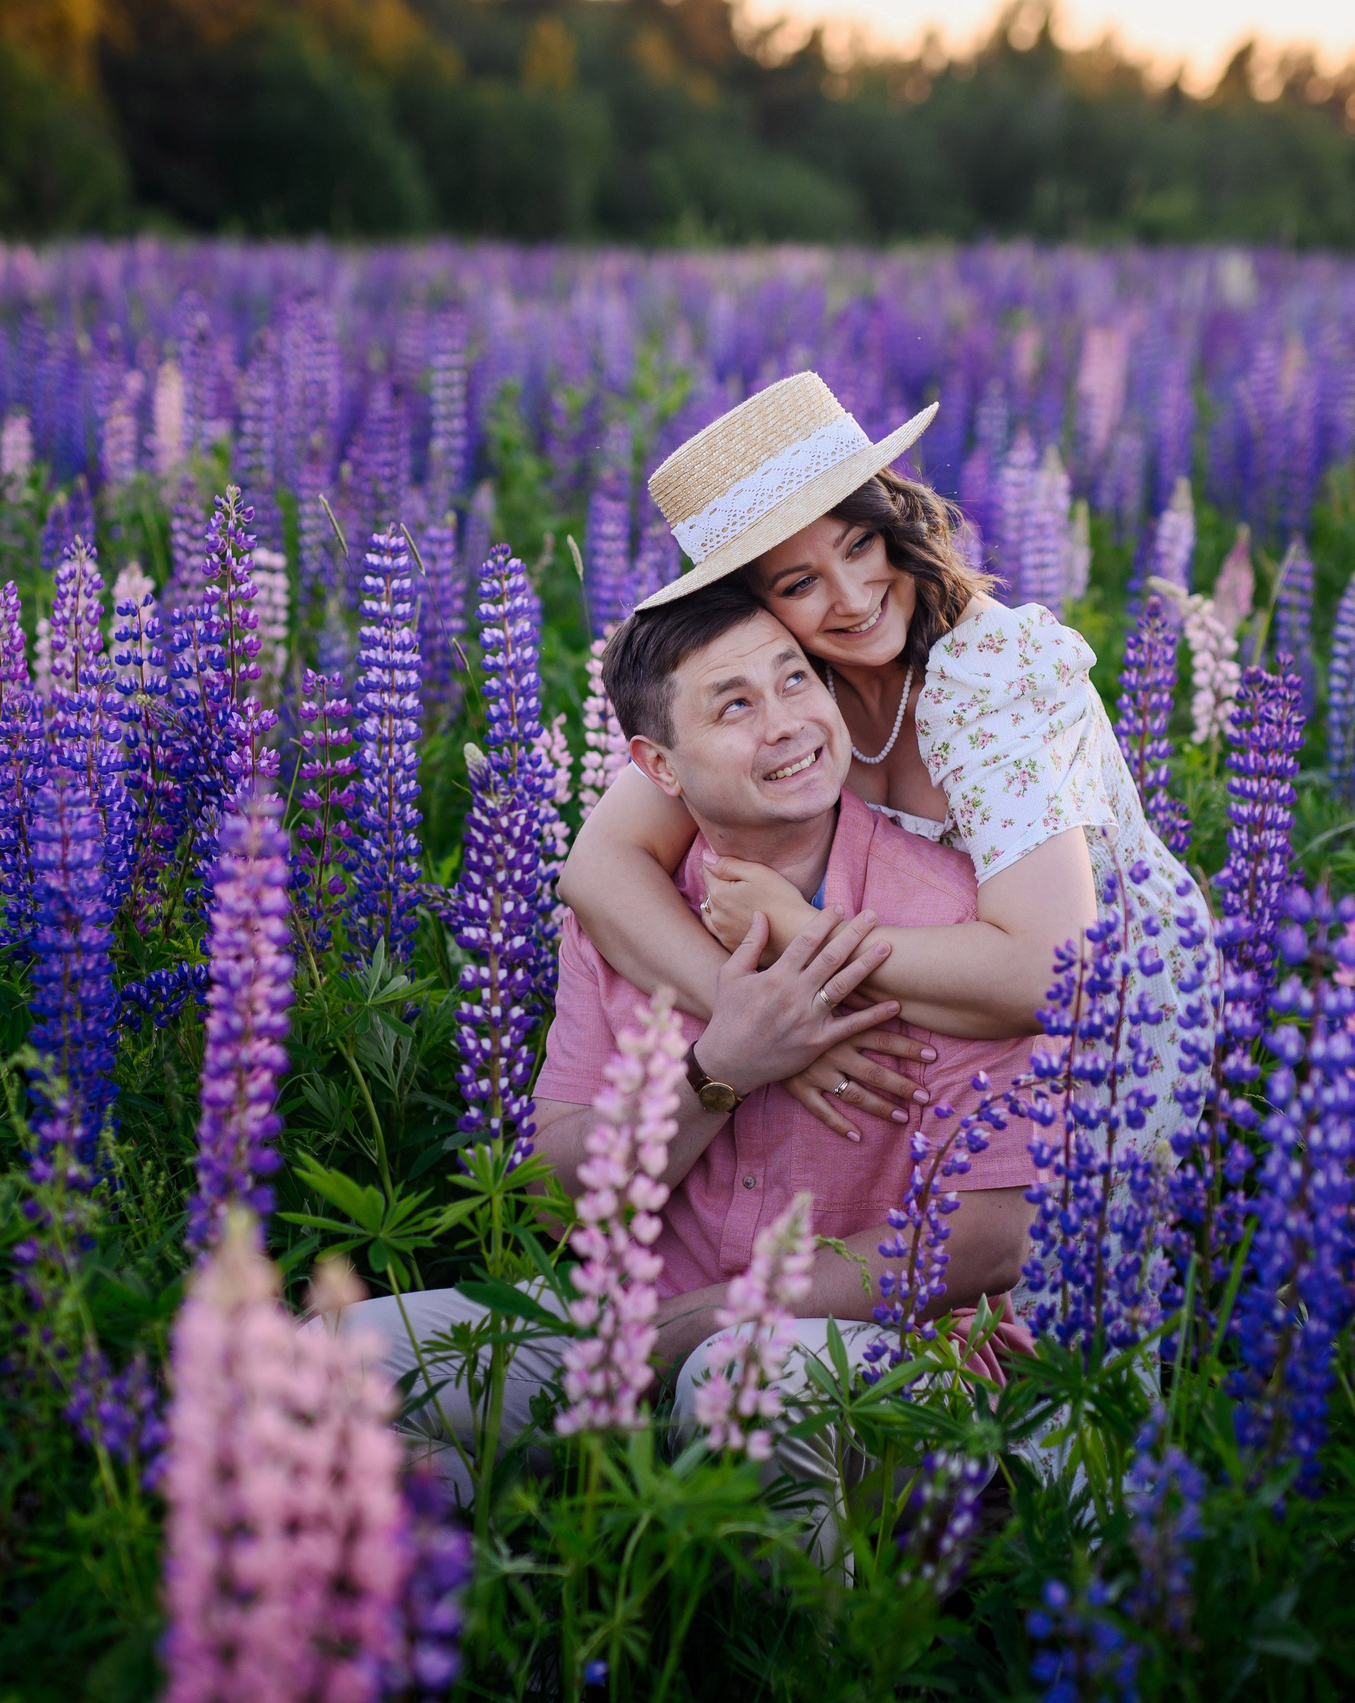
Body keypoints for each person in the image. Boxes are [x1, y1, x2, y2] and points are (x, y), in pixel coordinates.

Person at [334, 589, 1043, 1527]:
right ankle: (527, 1580)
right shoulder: (628, 919)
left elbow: (988, 1238)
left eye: (796, 679)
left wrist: (711, 1317)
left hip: (876, 1366)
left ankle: (804, 1660)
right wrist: (720, 1069)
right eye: (735, 704)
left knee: (739, 1369)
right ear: (656, 765)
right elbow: (551, 1199)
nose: (787, 722)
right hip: (628, 1341)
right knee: (328, 1360)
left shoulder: (948, 919)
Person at [560, 370, 1211, 1152]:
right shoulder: (785, 686)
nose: (854, 596)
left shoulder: (990, 673)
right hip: (933, 1025)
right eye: (800, 582)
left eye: (860, 543)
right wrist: (764, 1023)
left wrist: (804, 931)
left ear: (891, 523)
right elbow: (596, 868)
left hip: (1114, 1016)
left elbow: (1052, 972)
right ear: (750, 606)